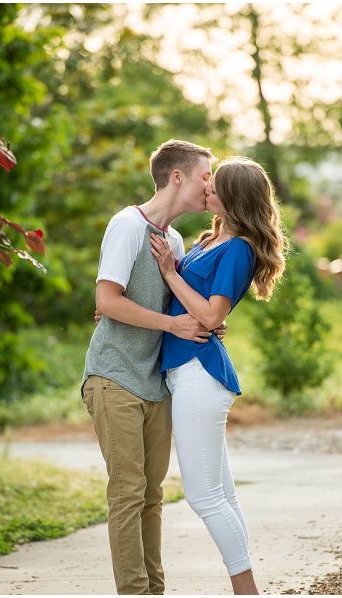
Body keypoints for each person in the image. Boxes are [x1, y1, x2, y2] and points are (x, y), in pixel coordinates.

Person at [82, 139, 221, 594]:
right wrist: (173, 325)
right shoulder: (126, 225)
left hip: (154, 382)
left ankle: (154, 590)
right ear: (177, 177)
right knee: (127, 492)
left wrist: (203, 325)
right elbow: (106, 300)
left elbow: (180, 305)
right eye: (206, 174)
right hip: (113, 375)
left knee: (152, 497)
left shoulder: (176, 240)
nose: (211, 185)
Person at [149, 157, 286, 594]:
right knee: (221, 495)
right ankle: (246, 589)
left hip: (198, 374)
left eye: (215, 182)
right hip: (186, 371)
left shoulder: (239, 248)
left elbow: (210, 313)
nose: (206, 185)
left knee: (204, 496)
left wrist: (171, 272)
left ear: (233, 198)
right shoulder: (211, 239)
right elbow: (200, 307)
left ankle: (246, 591)